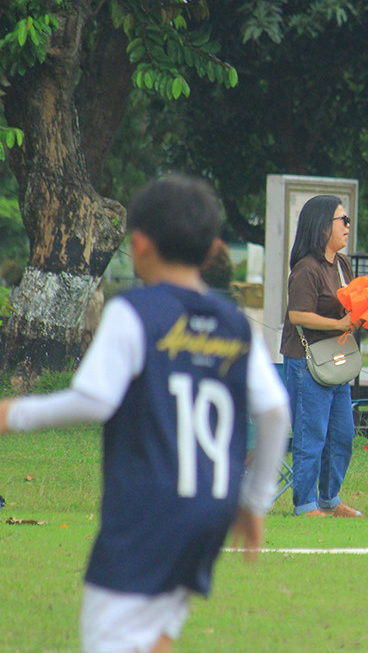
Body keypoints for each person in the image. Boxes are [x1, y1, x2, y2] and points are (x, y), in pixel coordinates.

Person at [0, 175, 290, 652]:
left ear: (138, 245)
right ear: (213, 248)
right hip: (208, 513)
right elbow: (276, 410)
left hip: (148, 513)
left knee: (109, 640)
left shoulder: (136, 311)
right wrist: (254, 500)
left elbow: (94, 400)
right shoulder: (234, 323)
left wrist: (13, 413)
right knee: (153, 636)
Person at [279, 195, 364, 517]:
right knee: (311, 434)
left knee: (342, 434)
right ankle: (306, 503)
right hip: (307, 362)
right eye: (342, 220)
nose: (347, 226)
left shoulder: (342, 265)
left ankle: (330, 499)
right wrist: (340, 323)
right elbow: (298, 315)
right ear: (322, 225)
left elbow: (350, 304)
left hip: (336, 360)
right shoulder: (306, 269)